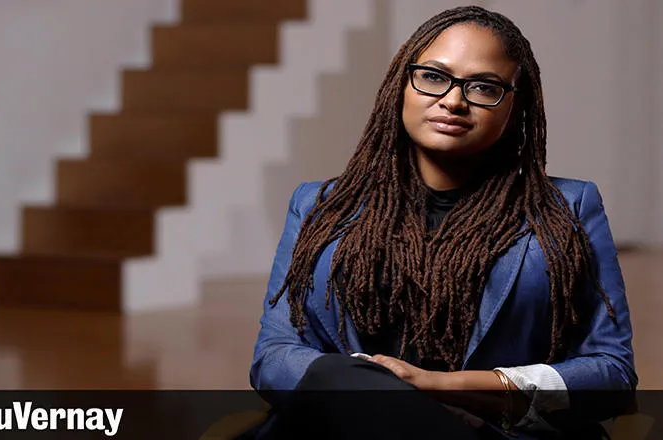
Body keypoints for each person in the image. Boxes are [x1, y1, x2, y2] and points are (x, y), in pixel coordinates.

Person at [248, 5, 637, 440]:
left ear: (516, 105)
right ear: (402, 83)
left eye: (484, 87)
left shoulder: (568, 207)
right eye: (433, 76)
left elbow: (611, 375)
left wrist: (438, 385)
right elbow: (275, 355)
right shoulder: (320, 204)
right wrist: (370, 391)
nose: (453, 100)